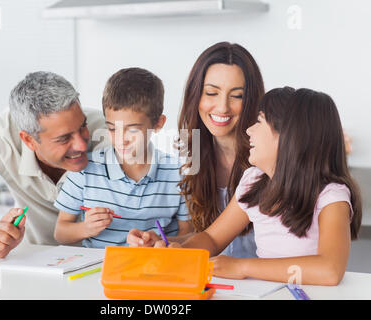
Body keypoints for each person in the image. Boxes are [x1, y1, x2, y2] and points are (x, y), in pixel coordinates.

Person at [157, 87, 362, 286]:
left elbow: (330, 270)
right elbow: (211, 238)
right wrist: (179, 253)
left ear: (288, 137)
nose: (248, 130)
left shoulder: (331, 196)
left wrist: (242, 267)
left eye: (259, 122)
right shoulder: (253, 181)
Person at [0, 71, 109, 258]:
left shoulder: (112, 136)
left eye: (82, 126)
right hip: (35, 260)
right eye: (64, 138)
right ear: (28, 140)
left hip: (103, 262)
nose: (81, 144)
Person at [128, 42, 264, 257]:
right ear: (195, 94)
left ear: (252, 100)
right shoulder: (193, 158)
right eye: (211, 93)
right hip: (218, 278)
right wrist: (161, 242)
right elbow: (210, 237)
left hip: (266, 280)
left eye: (236, 96)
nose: (222, 107)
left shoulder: (266, 160)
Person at [54, 67, 192, 248]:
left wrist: (159, 242)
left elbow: (188, 233)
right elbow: (60, 233)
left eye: (132, 129)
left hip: (153, 268)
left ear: (158, 124)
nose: (121, 140)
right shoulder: (85, 170)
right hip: (98, 271)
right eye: (112, 128)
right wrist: (85, 228)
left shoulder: (177, 173)